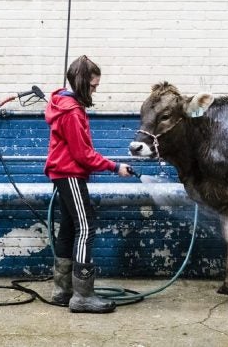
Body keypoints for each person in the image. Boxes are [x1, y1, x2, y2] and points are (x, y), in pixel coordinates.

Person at [44, 55, 131, 313]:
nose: (95, 89)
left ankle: (62, 291)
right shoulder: (72, 112)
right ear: (82, 83)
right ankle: (82, 295)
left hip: (64, 174)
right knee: (86, 227)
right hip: (70, 174)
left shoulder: (65, 104)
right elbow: (83, 154)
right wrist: (115, 166)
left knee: (69, 228)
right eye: (93, 85)